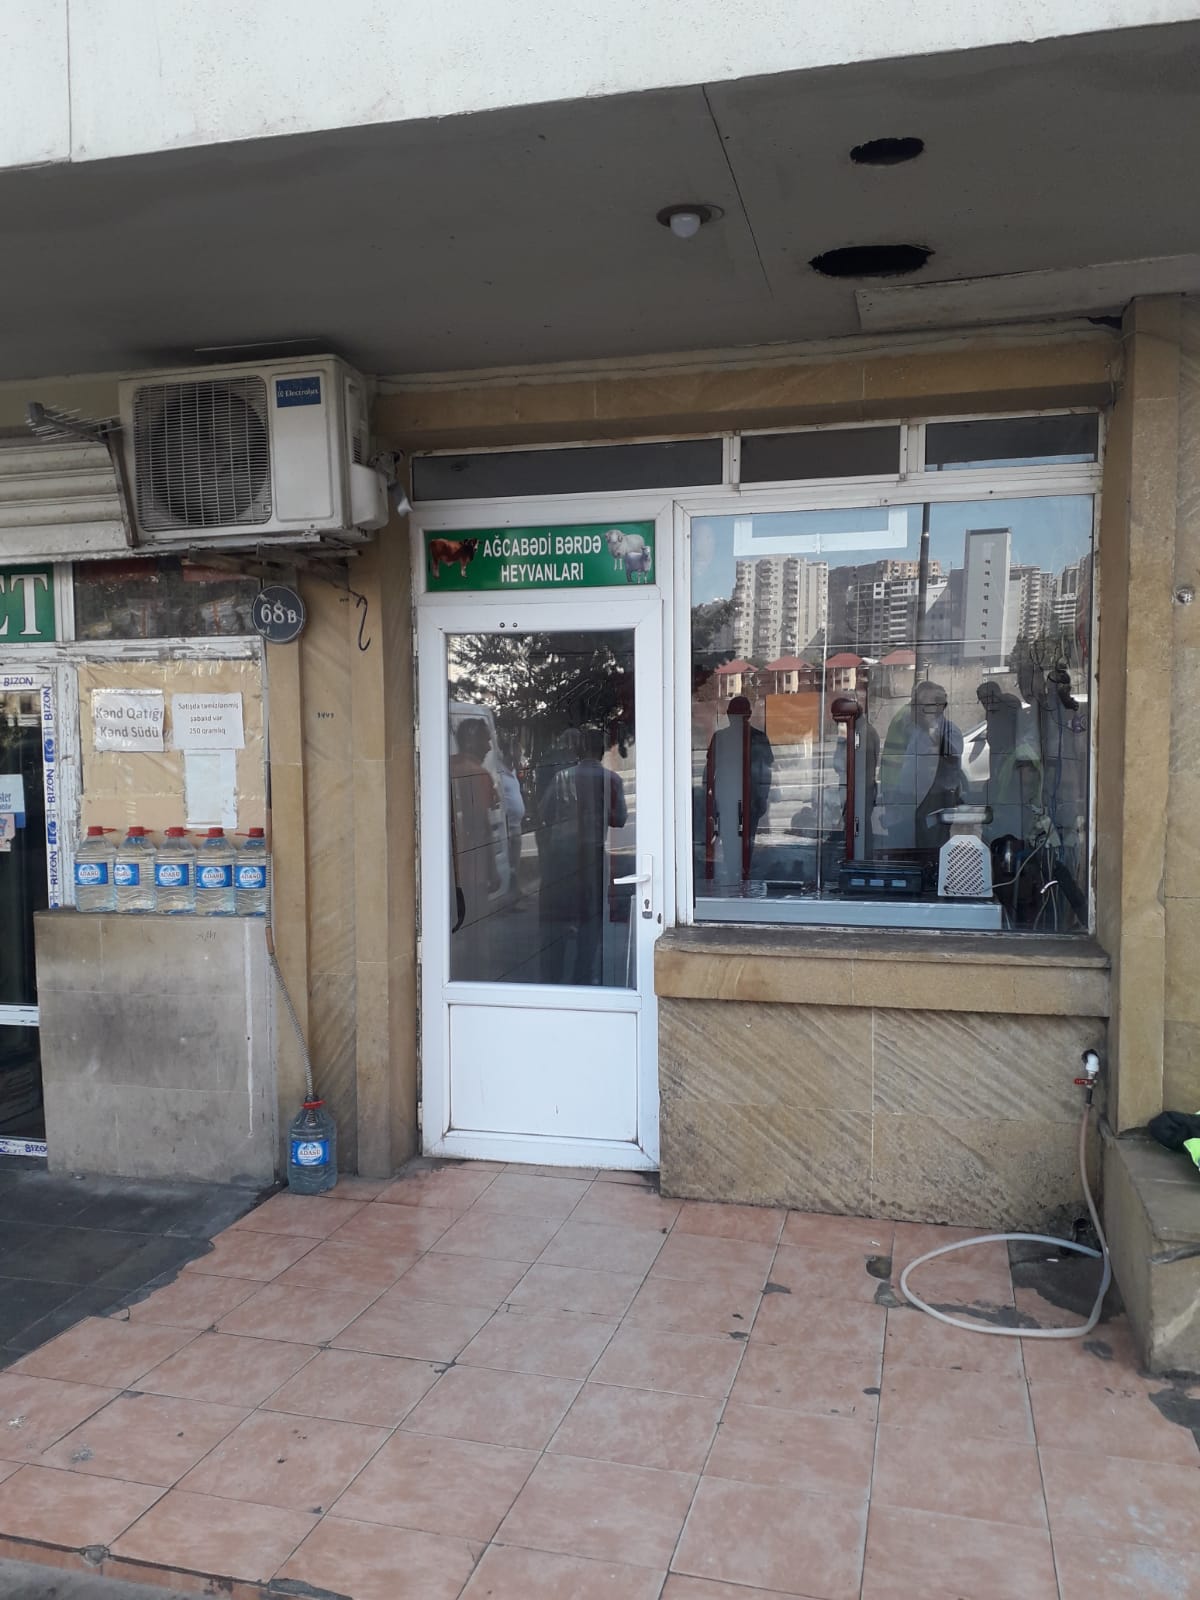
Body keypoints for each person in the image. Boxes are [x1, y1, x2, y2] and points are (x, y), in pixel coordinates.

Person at [537, 727, 627, 985]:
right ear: (602, 751)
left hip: (561, 854)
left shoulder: (561, 778)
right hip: (591, 852)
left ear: (578, 749)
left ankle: (552, 978)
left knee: (559, 916)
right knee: (591, 917)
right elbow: (619, 818)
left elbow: (543, 813)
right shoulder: (611, 780)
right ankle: (583, 977)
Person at [879, 680, 964, 852]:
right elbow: (909, 766)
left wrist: (932, 729)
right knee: (909, 850)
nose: (916, 709)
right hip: (909, 800)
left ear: (938, 707)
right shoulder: (916, 732)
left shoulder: (949, 731)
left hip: (935, 800)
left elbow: (952, 756)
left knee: (931, 850)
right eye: (916, 704)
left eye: (922, 705)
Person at [704, 695, 774, 886]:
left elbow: (765, 771)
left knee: (741, 838)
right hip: (730, 797)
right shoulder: (723, 738)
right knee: (735, 837)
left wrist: (762, 797)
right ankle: (738, 873)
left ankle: (741, 873)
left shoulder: (755, 738)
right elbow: (709, 772)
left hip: (745, 797)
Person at [448, 718, 500, 972]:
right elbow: (481, 825)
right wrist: (492, 869)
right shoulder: (478, 774)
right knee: (477, 933)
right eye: (485, 739)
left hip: (448, 870)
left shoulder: (446, 767)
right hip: (472, 869)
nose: (489, 746)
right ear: (470, 739)